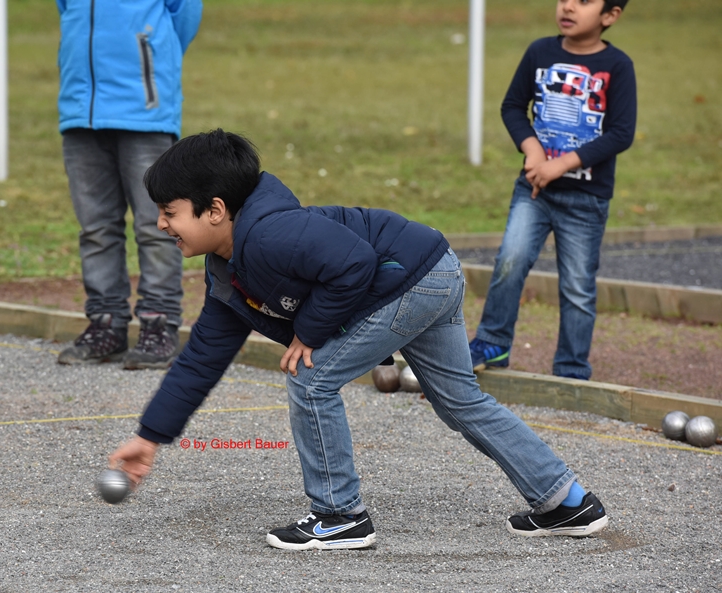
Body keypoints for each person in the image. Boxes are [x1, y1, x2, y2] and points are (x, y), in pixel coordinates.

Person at [108, 129, 609, 551]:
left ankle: (338, 515)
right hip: (433, 269)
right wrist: (150, 436)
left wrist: (309, 333)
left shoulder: (267, 236)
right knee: (461, 401)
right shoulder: (228, 269)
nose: (161, 224)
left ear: (214, 209)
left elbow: (353, 264)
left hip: (411, 281)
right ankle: (567, 500)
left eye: (169, 211)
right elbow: (201, 359)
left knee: (311, 379)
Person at [469, 0, 636, 380]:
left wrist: (562, 162)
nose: (568, 7)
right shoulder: (539, 52)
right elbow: (513, 106)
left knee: (578, 286)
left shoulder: (618, 66)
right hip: (533, 192)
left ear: (610, 16)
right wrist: (531, 147)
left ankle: (571, 367)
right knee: (509, 263)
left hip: (586, 199)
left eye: (584, 1)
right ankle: (493, 343)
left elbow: (621, 132)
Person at [55, 0, 203, 369]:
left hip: (144, 112)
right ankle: (105, 323)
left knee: (157, 225)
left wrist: (150, 57)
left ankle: (159, 323)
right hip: (80, 112)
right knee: (95, 227)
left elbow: (184, 15)